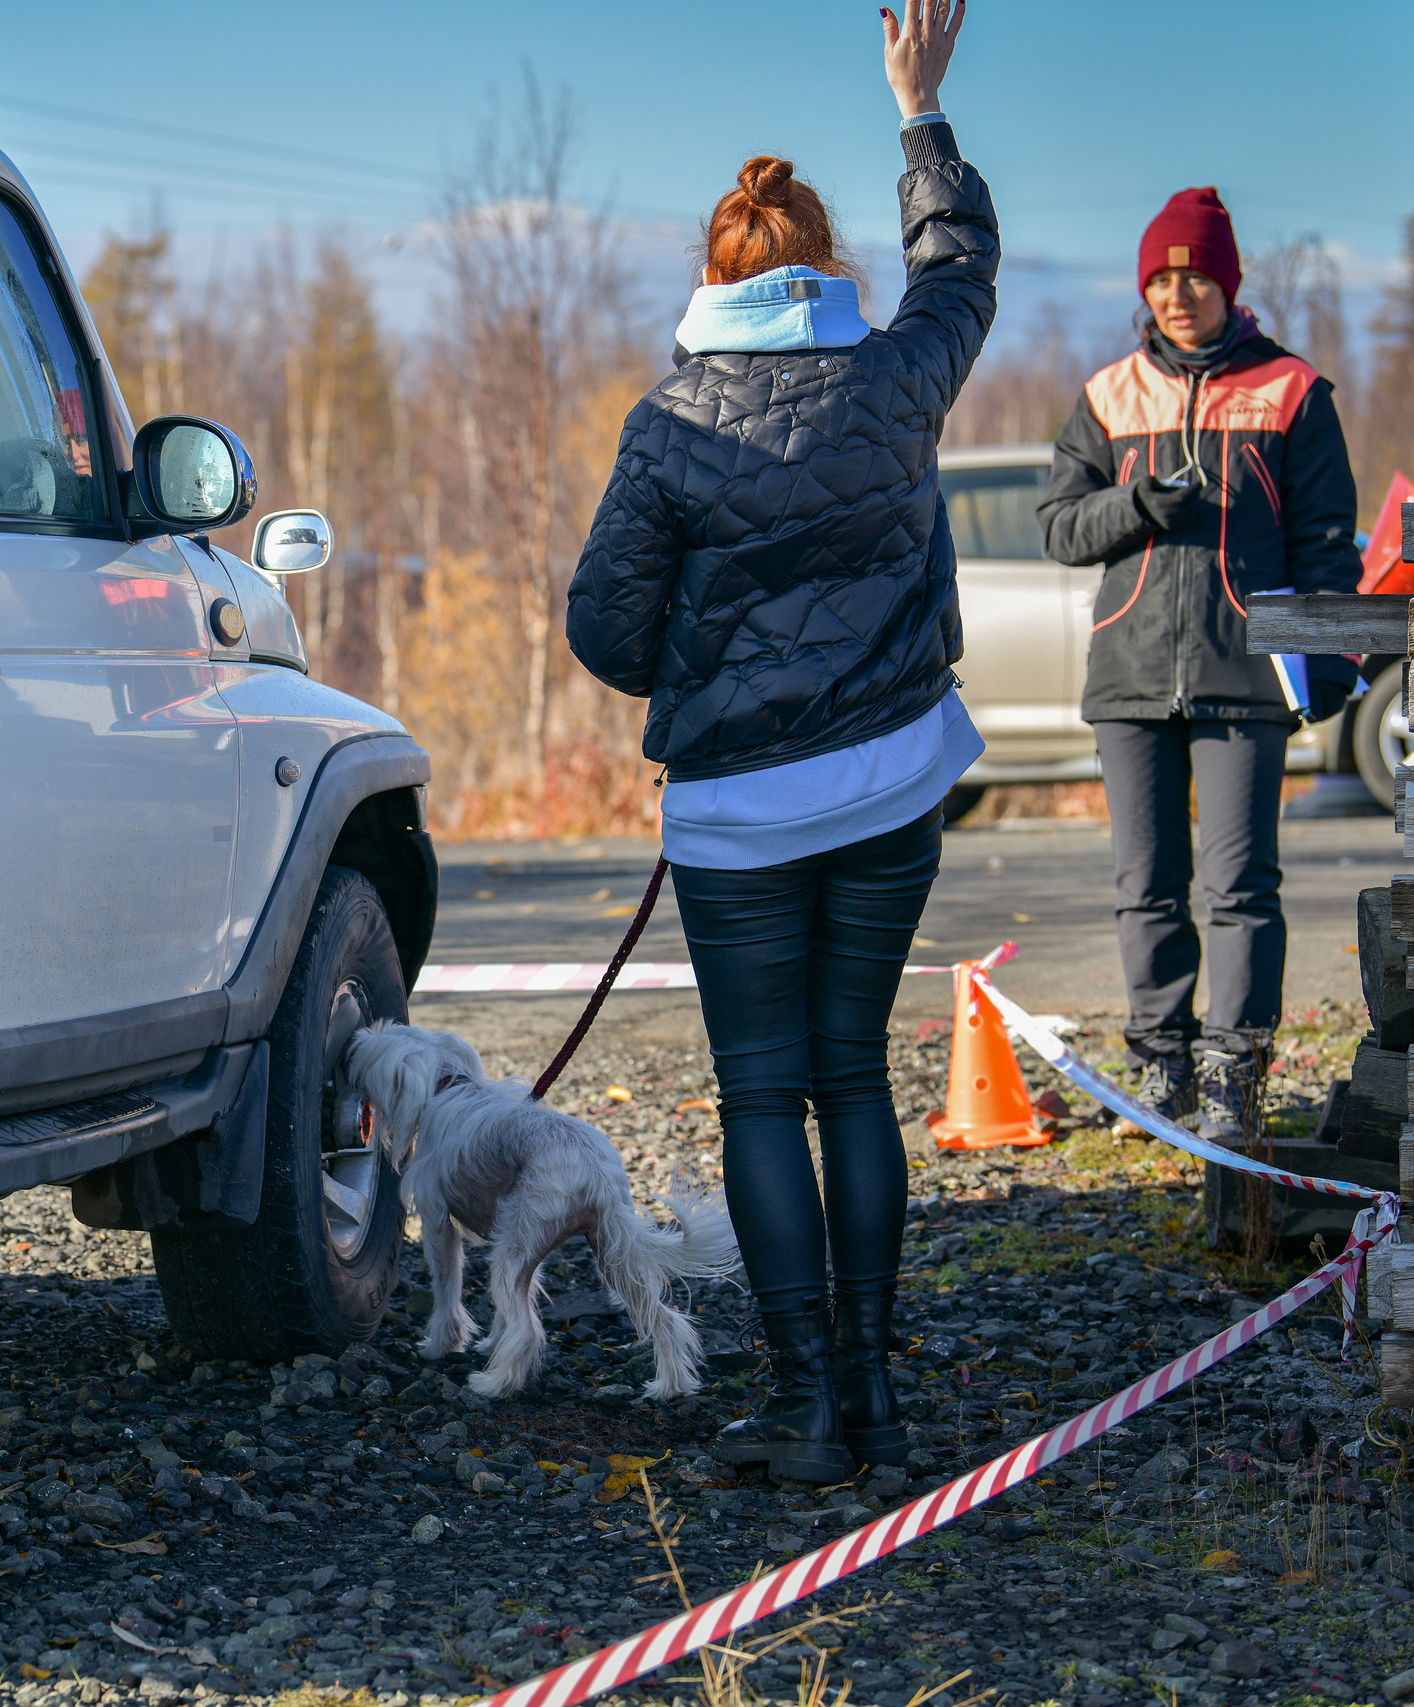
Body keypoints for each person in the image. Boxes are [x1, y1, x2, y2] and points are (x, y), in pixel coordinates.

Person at [566, 0, 991, 1483]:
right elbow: (960, 265)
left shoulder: (669, 426)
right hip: (891, 780)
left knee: (761, 1089)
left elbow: (606, 634)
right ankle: (873, 1394)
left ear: (715, 275)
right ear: (823, 263)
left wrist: (703, 657)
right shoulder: (894, 378)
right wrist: (918, 108)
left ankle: (807, 1405)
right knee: (853, 1072)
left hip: (739, 814)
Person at [1037, 190, 1363, 1144]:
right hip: (1131, 677)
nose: (1179, 296)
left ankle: (1234, 1075)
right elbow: (1059, 528)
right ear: (1146, 288)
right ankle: (1162, 1070)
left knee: (1240, 886)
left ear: (1229, 283)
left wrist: (1330, 652)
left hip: (1246, 678)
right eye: (1162, 280)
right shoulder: (1109, 394)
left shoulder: (1292, 391)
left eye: (1197, 278)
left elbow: (1327, 540)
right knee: (1145, 884)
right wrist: (1137, 503)